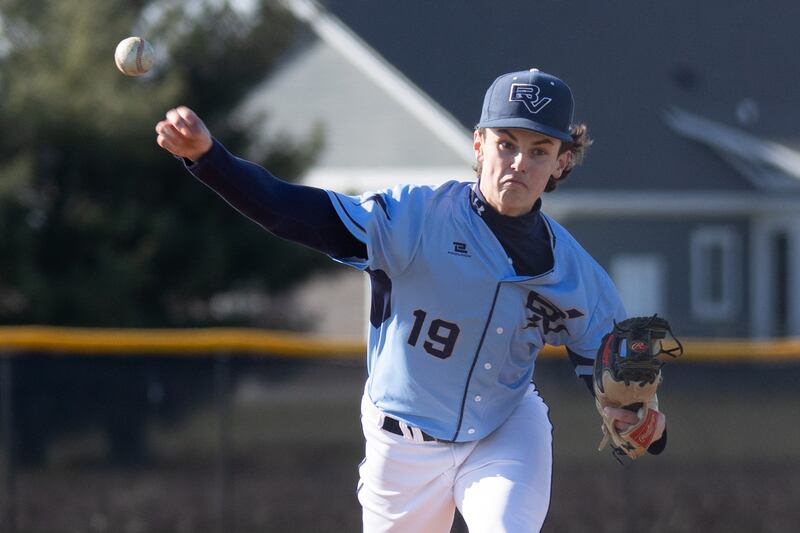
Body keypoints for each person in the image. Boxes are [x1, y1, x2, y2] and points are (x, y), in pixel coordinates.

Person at [155, 68, 667, 532]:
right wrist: (210, 160)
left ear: (562, 162)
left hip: (503, 431)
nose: (518, 162)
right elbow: (294, 212)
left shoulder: (577, 273)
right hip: (399, 447)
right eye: (506, 143)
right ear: (479, 145)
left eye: (538, 150)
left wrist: (640, 416)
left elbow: (607, 361)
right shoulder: (415, 219)